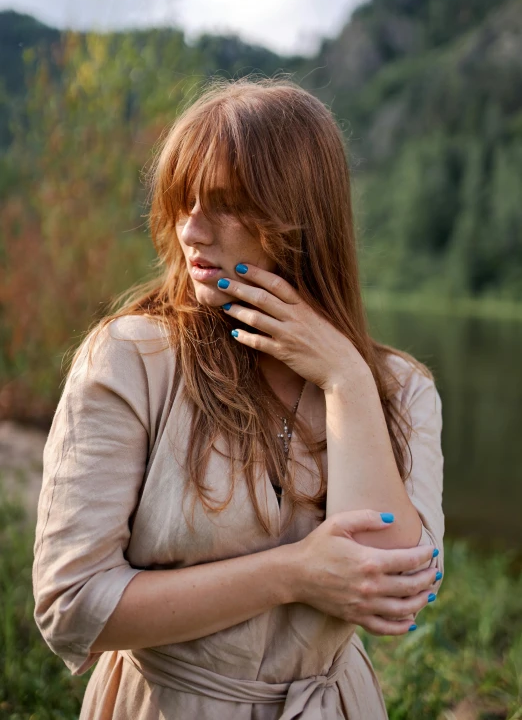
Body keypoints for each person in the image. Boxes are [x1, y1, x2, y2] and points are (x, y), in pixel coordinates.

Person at [32, 77, 444, 720]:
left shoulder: (398, 388)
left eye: (225, 204)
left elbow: (399, 596)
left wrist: (346, 381)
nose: (192, 230)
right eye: (182, 200)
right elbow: (72, 606)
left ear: (301, 216)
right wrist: (293, 573)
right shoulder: (132, 359)